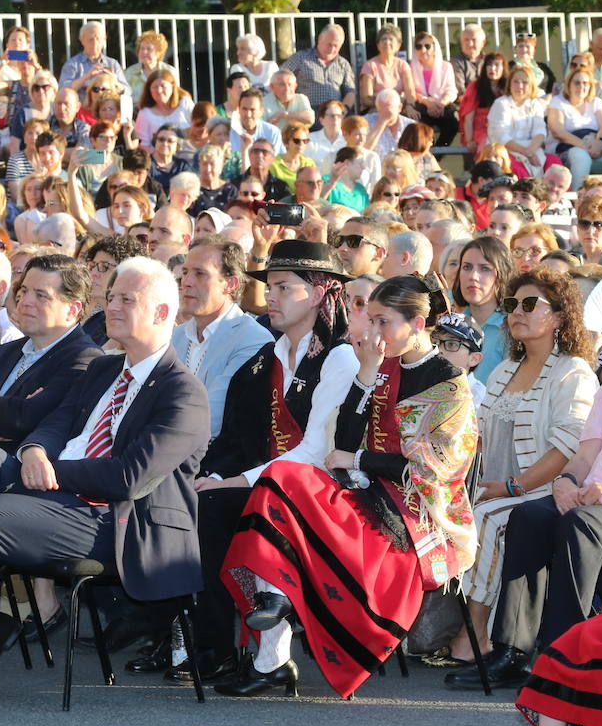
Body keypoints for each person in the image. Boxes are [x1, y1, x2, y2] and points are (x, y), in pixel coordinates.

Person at [0, 257, 209, 714]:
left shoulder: (183, 391)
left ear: (162, 313)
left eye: (127, 299)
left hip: (114, 520)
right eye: (110, 297)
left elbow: (129, 476)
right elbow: (57, 424)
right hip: (56, 496)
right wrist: (34, 450)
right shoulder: (104, 370)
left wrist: (53, 470)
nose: (111, 306)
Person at [217, 274, 477, 699]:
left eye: (383, 322)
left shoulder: (448, 383)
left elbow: (431, 471)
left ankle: (272, 652)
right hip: (364, 491)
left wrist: (358, 460)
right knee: (278, 479)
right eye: (369, 320)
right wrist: (368, 374)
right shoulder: (382, 364)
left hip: (413, 516)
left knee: (288, 501)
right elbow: (345, 440)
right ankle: (276, 613)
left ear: (417, 325)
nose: (372, 333)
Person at [176, 240, 359, 683]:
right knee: (201, 504)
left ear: (318, 293)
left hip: (329, 491)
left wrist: (236, 481)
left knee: (245, 506)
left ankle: (269, 659)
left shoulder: (341, 358)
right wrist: (214, 476)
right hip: (268, 484)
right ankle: (213, 646)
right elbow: (238, 436)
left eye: (283, 287)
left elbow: (316, 451)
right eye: (269, 287)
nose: (270, 297)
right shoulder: (266, 360)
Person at [447, 268, 595, 665]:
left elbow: (567, 449)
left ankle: (475, 629)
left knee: (489, 518)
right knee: (452, 511)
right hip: (494, 485)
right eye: (512, 304)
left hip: (545, 489)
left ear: (560, 316)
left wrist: (511, 487)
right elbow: (474, 434)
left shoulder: (573, 371)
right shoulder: (503, 369)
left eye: (531, 304)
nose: (517, 312)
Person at [171, 234, 273, 439]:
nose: (187, 282)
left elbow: (213, 417)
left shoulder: (253, 340)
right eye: (185, 272)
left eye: (200, 274)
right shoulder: (174, 336)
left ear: (230, 284)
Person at [454, 235, 513, 382]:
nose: (473, 276)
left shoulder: (512, 328)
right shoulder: (453, 323)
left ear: (502, 275)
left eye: (485, 269)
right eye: (467, 267)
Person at [546, 68, 602, 188]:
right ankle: (577, 197)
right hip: (566, 149)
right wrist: (585, 146)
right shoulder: (558, 102)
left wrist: (599, 143)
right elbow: (558, 131)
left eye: (585, 83)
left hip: (595, 149)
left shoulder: (596, 102)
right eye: (577, 82)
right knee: (581, 156)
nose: (581, 86)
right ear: (568, 84)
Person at [489, 66, 549, 178]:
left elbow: (540, 132)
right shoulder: (501, 104)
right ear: (510, 84)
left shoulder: (535, 104)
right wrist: (526, 153)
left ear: (531, 85)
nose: (520, 86)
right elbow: (502, 137)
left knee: (553, 163)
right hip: (506, 151)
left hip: (532, 149)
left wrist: (530, 151)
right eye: (516, 81)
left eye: (525, 82)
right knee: (519, 169)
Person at [281, 23, 356, 110]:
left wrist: (344, 110)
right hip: (306, 111)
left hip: (334, 112)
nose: (332, 49)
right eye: (329, 44)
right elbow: (280, 77)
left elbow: (351, 91)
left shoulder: (343, 64)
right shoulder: (301, 58)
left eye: (336, 46)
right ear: (320, 38)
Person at [409, 31, 460, 146]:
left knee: (453, 122)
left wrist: (441, 104)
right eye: (418, 46)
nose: (423, 50)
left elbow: (451, 90)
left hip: (442, 105)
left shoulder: (446, 66)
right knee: (418, 126)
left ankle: (436, 157)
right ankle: (425, 152)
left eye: (427, 46)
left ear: (434, 48)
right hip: (421, 105)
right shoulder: (410, 68)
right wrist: (428, 103)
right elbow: (411, 91)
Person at [58, 21, 128, 100]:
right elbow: (63, 90)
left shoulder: (112, 64)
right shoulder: (73, 64)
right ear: (82, 40)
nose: (95, 43)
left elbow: (127, 91)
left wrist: (115, 81)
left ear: (104, 39)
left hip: (107, 109)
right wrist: (87, 76)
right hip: (80, 109)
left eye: (98, 38)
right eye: (90, 39)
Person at [359, 23, 417, 113]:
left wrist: (409, 106)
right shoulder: (370, 66)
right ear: (378, 45)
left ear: (398, 45)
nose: (387, 42)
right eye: (383, 39)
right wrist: (387, 104)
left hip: (398, 108)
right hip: (376, 108)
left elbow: (410, 94)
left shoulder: (403, 65)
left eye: (391, 39)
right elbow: (366, 99)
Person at [451, 24, 487, 97]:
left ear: (483, 43)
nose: (470, 44)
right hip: (467, 103)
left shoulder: (490, 61)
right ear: (461, 42)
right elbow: (460, 92)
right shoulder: (455, 63)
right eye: (466, 40)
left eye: (474, 40)